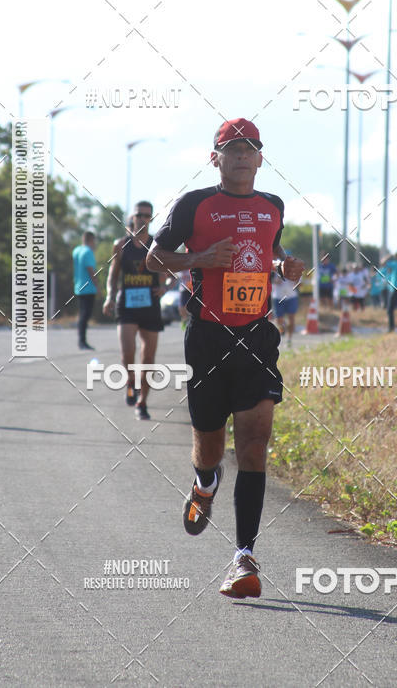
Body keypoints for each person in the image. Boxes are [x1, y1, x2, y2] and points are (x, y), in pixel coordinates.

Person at [146, 117, 304, 599]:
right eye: (231, 149)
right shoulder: (194, 205)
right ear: (216, 158)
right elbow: (154, 258)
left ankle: (243, 558)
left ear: (261, 157)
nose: (240, 156)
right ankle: (204, 482)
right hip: (208, 339)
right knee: (211, 444)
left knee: (254, 445)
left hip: (256, 336)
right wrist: (200, 259)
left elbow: (268, 249)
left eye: (249, 148)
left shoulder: (272, 206)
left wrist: (282, 265)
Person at [103, 201, 166, 420]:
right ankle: (131, 380)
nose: (142, 218)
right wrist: (109, 297)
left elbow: (168, 274)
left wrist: (164, 287)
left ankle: (142, 402)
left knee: (148, 357)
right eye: (139, 214)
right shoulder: (120, 245)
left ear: (151, 219)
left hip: (150, 305)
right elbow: (112, 276)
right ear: (132, 217)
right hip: (127, 304)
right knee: (127, 353)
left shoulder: (156, 245)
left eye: (147, 215)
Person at [72, 230, 98, 350]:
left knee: (82, 314)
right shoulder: (88, 252)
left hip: (79, 286)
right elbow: (91, 270)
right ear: (91, 240)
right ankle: (82, 341)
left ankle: (81, 340)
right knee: (85, 315)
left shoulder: (76, 250)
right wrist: (97, 285)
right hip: (88, 288)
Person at [271, 270, 299, 348]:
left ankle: (289, 339)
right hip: (278, 297)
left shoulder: (295, 270)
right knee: (278, 320)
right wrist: (276, 280)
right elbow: (271, 280)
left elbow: (299, 283)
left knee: (291, 318)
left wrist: (296, 279)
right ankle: (284, 327)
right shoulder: (275, 270)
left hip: (291, 297)